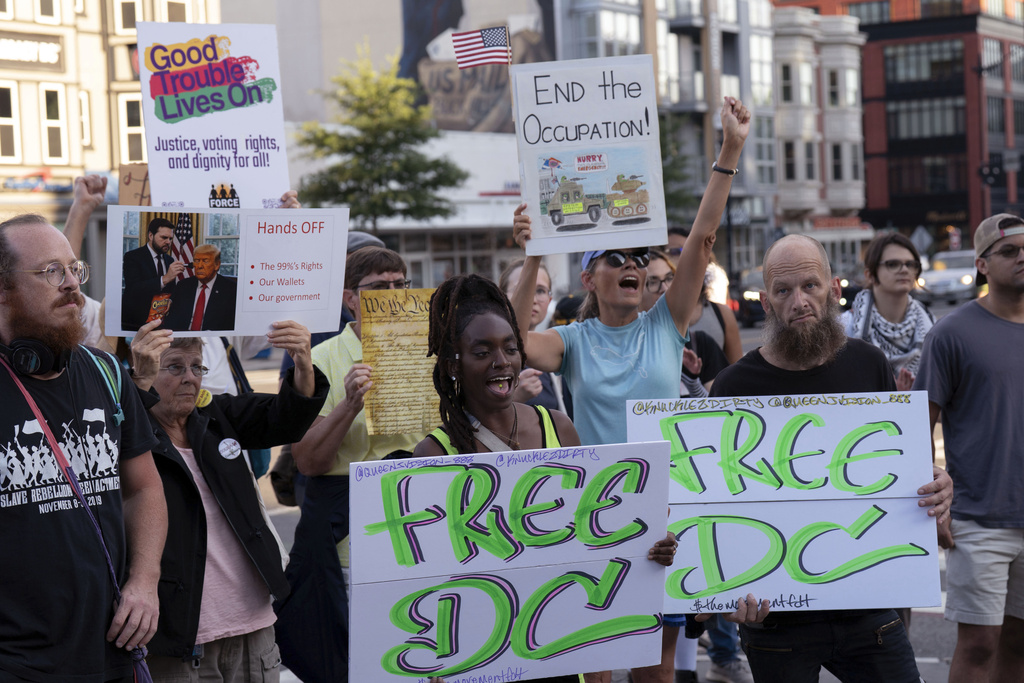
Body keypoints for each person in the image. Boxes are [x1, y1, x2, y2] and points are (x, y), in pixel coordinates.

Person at [511, 97, 751, 683]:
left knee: (655, 665)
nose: (632, 266)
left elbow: (700, 237)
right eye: (613, 258)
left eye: (639, 259)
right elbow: (514, 340)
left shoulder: (666, 324)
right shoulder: (573, 340)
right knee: (596, 661)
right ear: (590, 276)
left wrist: (730, 149)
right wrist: (537, 248)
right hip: (593, 508)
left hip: (665, 508)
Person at [707, 234, 953, 683]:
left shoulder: (868, 364)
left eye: (810, 286)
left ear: (835, 290)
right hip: (774, 617)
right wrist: (725, 589)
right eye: (783, 291)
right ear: (766, 302)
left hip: (867, 608)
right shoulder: (731, 386)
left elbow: (893, 470)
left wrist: (936, 481)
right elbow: (716, 509)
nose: (798, 301)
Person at [414, 273, 678, 683]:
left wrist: (647, 549)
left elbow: (594, 535)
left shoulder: (558, 427)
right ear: (453, 364)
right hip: (480, 655)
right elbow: (423, 580)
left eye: (511, 348)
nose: (502, 362)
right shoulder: (434, 454)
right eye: (482, 352)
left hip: (562, 647)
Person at [0, 214, 167, 682]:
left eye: (75, 269)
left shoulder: (108, 373)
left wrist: (144, 581)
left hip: (113, 651)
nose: (71, 283)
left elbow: (143, 489)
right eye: (50, 271)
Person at [126, 318, 327, 682]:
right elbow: (115, 430)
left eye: (197, 367)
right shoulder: (132, 434)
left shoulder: (215, 416)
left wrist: (302, 361)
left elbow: (287, 418)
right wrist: (136, 385)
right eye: (174, 367)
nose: (190, 377)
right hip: (181, 639)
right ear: (145, 370)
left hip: (253, 627)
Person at [277, 246, 428, 683]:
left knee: (422, 653)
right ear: (349, 298)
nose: (395, 295)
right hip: (352, 542)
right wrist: (349, 404)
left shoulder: (430, 353)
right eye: (380, 287)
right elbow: (308, 461)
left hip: (421, 526)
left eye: (402, 285)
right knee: (362, 661)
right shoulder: (323, 360)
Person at [914, 213, 1024, 683]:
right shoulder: (952, 334)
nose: (1022, 258)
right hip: (979, 519)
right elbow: (919, 429)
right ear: (982, 264)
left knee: (1020, 644)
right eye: (1009, 251)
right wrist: (936, 508)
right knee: (979, 645)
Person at [841, 232, 933, 391]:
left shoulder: (931, 324)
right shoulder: (844, 327)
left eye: (911, 264)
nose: (904, 270)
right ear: (869, 274)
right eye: (892, 264)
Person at [665, 226, 742, 364]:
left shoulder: (722, 314)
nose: (674, 258)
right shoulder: (649, 314)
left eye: (682, 250)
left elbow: (737, 372)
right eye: (673, 251)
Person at [499, 258, 565, 413]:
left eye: (540, 290)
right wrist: (512, 397)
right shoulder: (485, 353)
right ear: (501, 297)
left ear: (550, 300)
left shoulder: (556, 353)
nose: (532, 299)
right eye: (522, 289)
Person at [122, 216, 186, 331]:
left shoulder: (170, 260)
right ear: (151, 236)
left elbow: (172, 290)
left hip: (162, 323)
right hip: (136, 323)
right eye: (164, 237)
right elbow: (133, 289)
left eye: (170, 238)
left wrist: (171, 300)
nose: (168, 242)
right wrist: (165, 279)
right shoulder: (132, 257)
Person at [164, 244, 237, 331]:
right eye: (197, 261)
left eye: (205, 261)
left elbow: (230, 326)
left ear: (217, 265)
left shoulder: (230, 289)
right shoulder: (183, 286)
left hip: (212, 340)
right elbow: (172, 321)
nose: (199, 266)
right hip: (183, 339)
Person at [667, 226, 730, 307]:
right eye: (675, 251)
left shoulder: (710, 273)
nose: (683, 255)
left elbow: (712, 309)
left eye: (687, 250)